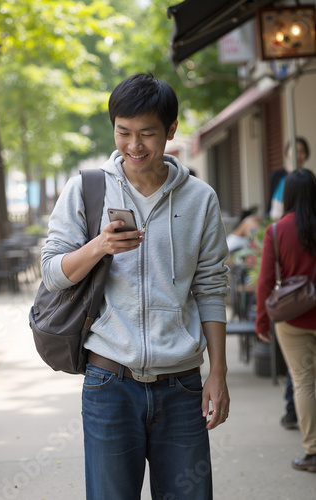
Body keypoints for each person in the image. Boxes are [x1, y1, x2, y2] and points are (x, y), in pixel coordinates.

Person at [41, 73, 230, 499]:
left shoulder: (200, 199)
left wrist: (217, 371)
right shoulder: (85, 189)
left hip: (182, 387)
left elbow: (211, 287)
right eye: (123, 132)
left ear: (171, 130)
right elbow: (52, 271)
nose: (134, 146)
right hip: (109, 383)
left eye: (147, 133)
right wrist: (99, 246)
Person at [256, 168, 316, 472]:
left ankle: (313, 452)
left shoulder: (277, 230)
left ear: (288, 194)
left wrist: (262, 321)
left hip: (294, 319)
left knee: (305, 381)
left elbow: (266, 281)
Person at [267, 137, 310, 220]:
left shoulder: (308, 177)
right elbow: (270, 201)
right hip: (274, 220)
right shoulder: (276, 175)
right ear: (287, 152)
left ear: (306, 154)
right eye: (295, 151)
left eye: (302, 152)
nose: (298, 155)